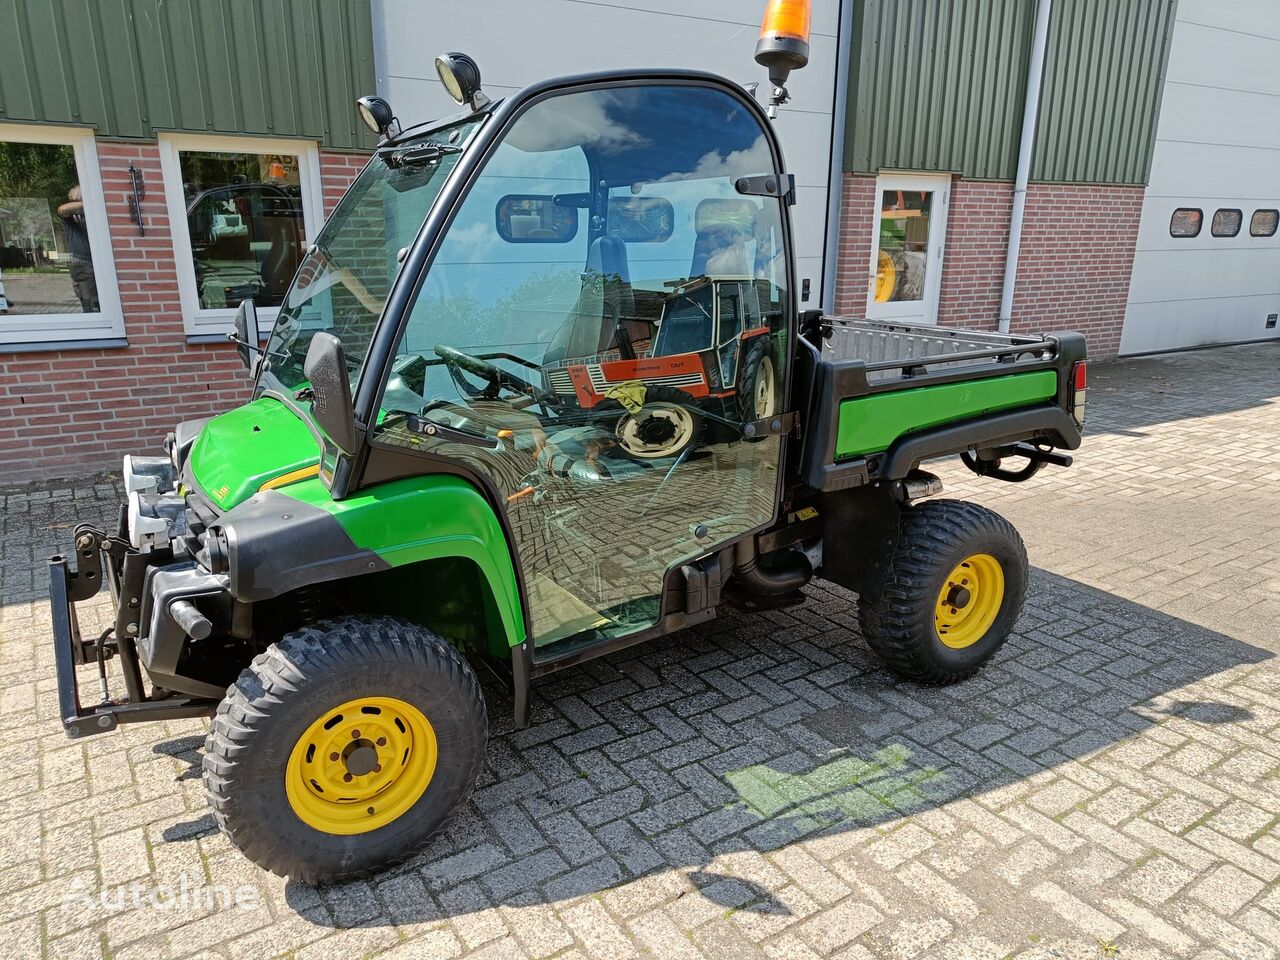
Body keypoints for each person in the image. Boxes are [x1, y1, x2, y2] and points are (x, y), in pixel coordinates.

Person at [57, 185, 99, 313]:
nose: (74, 201)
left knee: (99, 302)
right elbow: (62, 209)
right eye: (73, 199)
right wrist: (87, 202)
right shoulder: (72, 216)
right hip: (82, 264)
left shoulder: (92, 215)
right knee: (91, 303)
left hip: (94, 262)